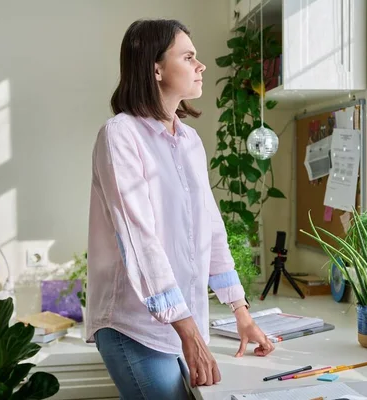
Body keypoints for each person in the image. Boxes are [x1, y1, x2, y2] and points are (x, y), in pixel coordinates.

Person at [85, 18, 274, 400]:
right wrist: (190, 333)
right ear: (155, 68)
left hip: (183, 324)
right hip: (133, 326)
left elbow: (211, 228)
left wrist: (241, 311)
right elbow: (140, 239)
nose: (200, 65)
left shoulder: (188, 140)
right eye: (188, 57)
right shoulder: (120, 135)